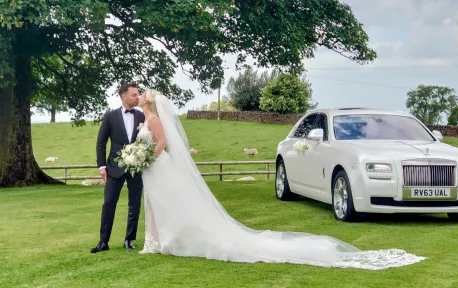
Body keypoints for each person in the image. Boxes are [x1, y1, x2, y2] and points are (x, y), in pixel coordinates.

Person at [135, 89, 425, 270]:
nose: (139, 95)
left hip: (157, 165)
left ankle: (160, 240)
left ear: (148, 101)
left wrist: (145, 156)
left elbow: (160, 143)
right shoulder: (146, 119)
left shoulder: (154, 120)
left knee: (163, 203)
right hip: (154, 168)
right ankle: (157, 241)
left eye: (141, 93)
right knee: (156, 204)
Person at [91, 83, 146, 253]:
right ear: (123, 97)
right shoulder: (110, 116)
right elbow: (101, 142)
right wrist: (102, 166)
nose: (137, 97)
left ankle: (129, 239)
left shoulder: (142, 117)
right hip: (114, 167)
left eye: (138, 94)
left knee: (134, 203)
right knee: (108, 203)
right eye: (134, 95)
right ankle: (103, 241)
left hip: (136, 167)